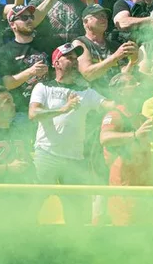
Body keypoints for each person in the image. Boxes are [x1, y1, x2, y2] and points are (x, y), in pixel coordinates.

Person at [29, 42, 110, 225]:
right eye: (69, 58)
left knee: (77, 211)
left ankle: (76, 242)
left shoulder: (86, 92)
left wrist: (127, 104)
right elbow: (33, 114)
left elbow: (108, 105)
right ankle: (23, 237)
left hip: (74, 159)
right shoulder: (43, 87)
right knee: (34, 201)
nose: (75, 62)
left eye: (76, 59)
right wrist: (63, 109)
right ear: (56, 63)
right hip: (46, 154)